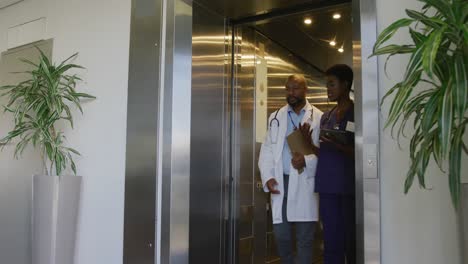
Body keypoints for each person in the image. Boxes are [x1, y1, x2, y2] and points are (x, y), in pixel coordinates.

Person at [258, 74, 323, 264]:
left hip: (305, 183)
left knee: (305, 239)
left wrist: (307, 161)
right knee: (282, 236)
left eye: (295, 88)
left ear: (305, 90)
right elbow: (267, 148)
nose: (291, 93)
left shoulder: (318, 117)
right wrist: (268, 176)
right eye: (288, 88)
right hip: (281, 182)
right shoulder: (276, 116)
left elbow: (324, 153)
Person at [302, 64, 356, 264]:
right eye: (327, 85)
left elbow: (359, 153)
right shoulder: (326, 117)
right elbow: (323, 153)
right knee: (330, 240)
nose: (329, 89)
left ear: (345, 84)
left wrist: (338, 146)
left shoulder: (355, 114)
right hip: (327, 186)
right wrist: (309, 144)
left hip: (348, 187)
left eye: (332, 84)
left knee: (350, 240)